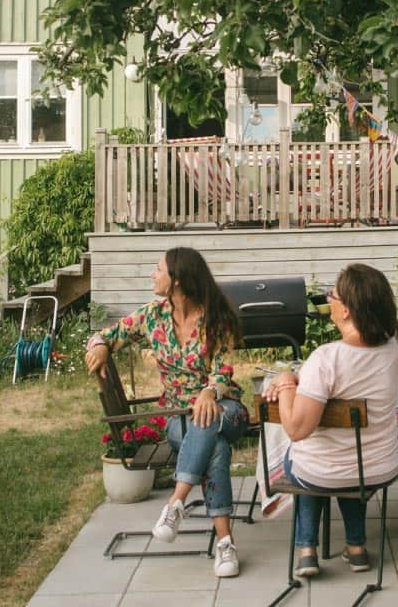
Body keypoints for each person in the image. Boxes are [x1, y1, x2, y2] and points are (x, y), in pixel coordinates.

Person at [84, 247, 247, 579]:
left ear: (177, 281)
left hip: (226, 410)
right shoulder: (151, 316)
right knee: (215, 449)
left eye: (158, 270)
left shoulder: (217, 318)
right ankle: (225, 543)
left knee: (210, 417)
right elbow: (106, 334)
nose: (152, 275)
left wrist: (208, 392)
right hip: (180, 419)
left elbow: (223, 371)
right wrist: (98, 345)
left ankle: (177, 501)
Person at [264, 263, 398, 579]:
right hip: (378, 468)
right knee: (345, 461)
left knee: (304, 459)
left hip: (322, 473)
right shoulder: (390, 348)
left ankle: (307, 550)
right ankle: (356, 548)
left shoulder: (326, 358)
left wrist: (286, 381)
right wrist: (303, 377)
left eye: (333, 296)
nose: (330, 301)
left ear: (348, 310)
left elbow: (297, 429)